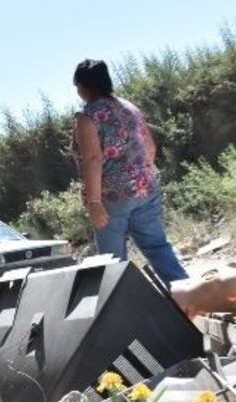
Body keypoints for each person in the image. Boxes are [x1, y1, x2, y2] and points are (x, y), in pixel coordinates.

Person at [71, 59, 188, 283]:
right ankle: (188, 296)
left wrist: (94, 203)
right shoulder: (129, 107)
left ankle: (123, 309)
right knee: (157, 246)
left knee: (112, 261)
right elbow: (150, 147)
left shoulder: (87, 117)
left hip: (113, 196)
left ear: (84, 86)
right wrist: (140, 178)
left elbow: (93, 159)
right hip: (147, 187)